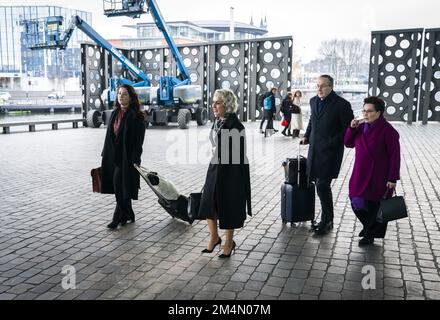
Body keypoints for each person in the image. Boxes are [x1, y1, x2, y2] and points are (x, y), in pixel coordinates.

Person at [199, 88, 252, 258]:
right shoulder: (218, 122)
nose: (213, 106)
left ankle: (229, 242)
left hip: (231, 172)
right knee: (208, 202)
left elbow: (238, 155)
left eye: (217, 103)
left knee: (229, 206)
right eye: (213, 102)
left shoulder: (236, 126)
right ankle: (214, 237)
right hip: (215, 168)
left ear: (227, 105)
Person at [300, 75, 353, 235]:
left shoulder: (342, 105)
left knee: (323, 185)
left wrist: (332, 141)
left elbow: (348, 129)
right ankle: (327, 219)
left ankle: (327, 221)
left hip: (330, 152)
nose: (319, 89)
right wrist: (307, 136)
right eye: (317, 86)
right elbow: (312, 121)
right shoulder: (313, 101)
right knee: (318, 184)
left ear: (331, 86)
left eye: (323, 86)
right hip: (314, 150)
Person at [344, 96, 400, 246]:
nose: (365, 114)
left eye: (369, 111)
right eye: (364, 111)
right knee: (356, 201)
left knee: (375, 206)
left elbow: (395, 156)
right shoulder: (360, 127)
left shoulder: (389, 131)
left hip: (378, 175)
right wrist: (351, 128)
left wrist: (392, 178)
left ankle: (369, 234)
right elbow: (348, 144)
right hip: (360, 173)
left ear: (379, 112)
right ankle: (369, 227)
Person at [100, 84, 146, 229]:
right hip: (114, 156)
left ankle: (117, 217)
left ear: (131, 97)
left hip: (127, 157)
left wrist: (136, 160)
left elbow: (139, 142)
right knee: (122, 185)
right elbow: (110, 136)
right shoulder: (114, 113)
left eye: (124, 94)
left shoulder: (136, 116)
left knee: (119, 185)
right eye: (119, 93)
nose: (121, 96)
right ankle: (129, 213)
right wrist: (105, 153)